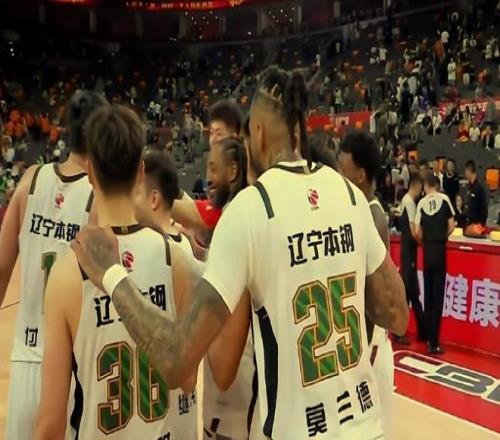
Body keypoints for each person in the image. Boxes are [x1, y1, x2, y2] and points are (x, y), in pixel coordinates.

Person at [71, 66, 408, 439]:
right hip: (365, 427)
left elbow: (176, 361)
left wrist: (112, 274)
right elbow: (397, 315)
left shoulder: (252, 208)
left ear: (257, 134)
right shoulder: (347, 193)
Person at [35, 104, 197, 440]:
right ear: (141, 171)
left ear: (90, 171)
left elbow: (51, 424)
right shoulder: (175, 259)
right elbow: (188, 378)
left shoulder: (68, 274)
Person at [0, 90, 106, 440]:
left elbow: (1, 269)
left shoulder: (30, 180)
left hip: (24, 364)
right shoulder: (97, 198)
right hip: (68, 374)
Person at [339, 130, 394, 437]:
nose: (337, 176)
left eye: (342, 169)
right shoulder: (358, 212)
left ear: (360, 175)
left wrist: (358, 356)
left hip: (370, 344)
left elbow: (373, 297)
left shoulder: (373, 217)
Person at [415, 173, 455, 354]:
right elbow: (452, 224)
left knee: (428, 296)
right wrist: (443, 236)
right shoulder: (444, 199)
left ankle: (427, 338)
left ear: (425, 186)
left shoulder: (421, 203)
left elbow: (417, 231)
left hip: (427, 251)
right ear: (436, 185)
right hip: (439, 250)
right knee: (438, 297)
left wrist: (425, 242)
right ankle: (434, 342)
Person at [398, 174, 426, 342]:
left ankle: (421, 330)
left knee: (412, 293)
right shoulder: (410, 202)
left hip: (407, 251)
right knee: (409, 292)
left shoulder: (404, 200)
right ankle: (400, 331)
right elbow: (413, 229)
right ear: (417, 186)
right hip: (409, 252)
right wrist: (424, 243)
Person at [464, 160, 489, 225]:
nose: (465, 174)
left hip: (477, 225)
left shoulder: (479, 188)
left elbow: (484, 210)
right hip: (470, 224)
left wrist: (480, 225)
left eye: (466, 172)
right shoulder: (470, 187)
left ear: (469, 170)